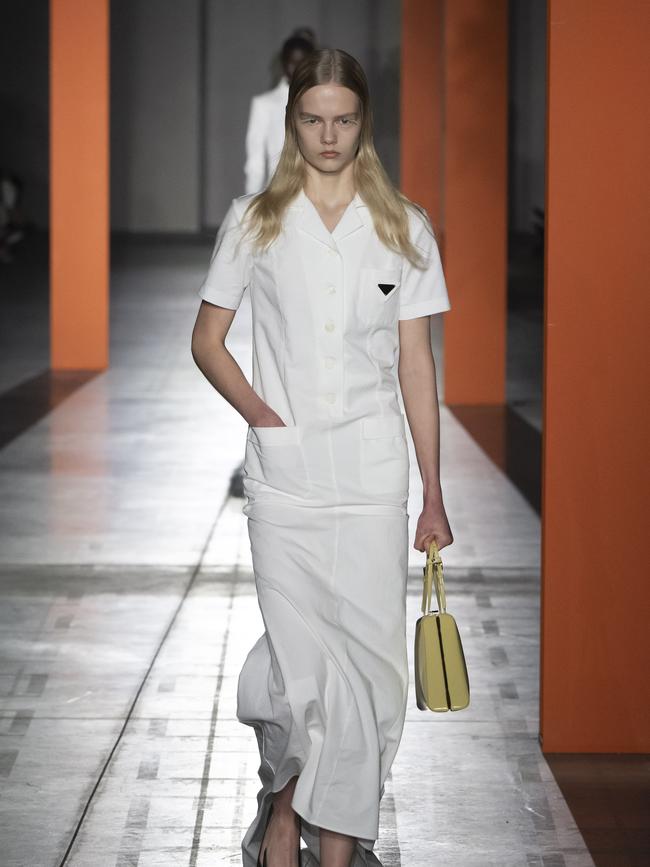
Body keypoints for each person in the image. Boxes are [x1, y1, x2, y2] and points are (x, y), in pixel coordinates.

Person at [191, 47, 454, 867]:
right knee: (301, 665)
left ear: (362, 121)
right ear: (292, 120)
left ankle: (330, 848)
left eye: (343, 119)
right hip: (287, 484)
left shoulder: (403, 227)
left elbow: (416, 363)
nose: (329, 134)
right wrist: (264, 416)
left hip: (375, 482)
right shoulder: (255, 219)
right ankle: (283, 802)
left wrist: (434, 494)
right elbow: (207, 341)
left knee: (369, 679)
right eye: (313, 119)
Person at [244, 35, 314, 195]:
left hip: (318, 197)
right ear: (283, 63)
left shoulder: (324, 102)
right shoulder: (265, 104)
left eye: (303, 63)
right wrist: (249, 206)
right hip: (279, 195)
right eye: (292, 62)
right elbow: (255, 163)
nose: (297, 68)